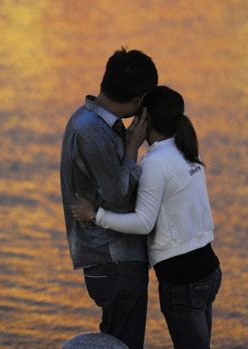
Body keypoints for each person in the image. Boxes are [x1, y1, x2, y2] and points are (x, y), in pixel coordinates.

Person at [71, 86, 222, 349]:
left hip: (182, 280)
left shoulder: (155, 162)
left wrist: (96, 216)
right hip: (208, 271)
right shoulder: (187, 150)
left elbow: (143, 222)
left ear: (145, 120)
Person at [59, 47, 157, 349]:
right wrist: (132, 149)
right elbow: (117, 196)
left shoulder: (86, 121)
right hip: (115, 261)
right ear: (140, 100)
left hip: (107, 261)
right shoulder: (95, 134)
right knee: (123, 345)